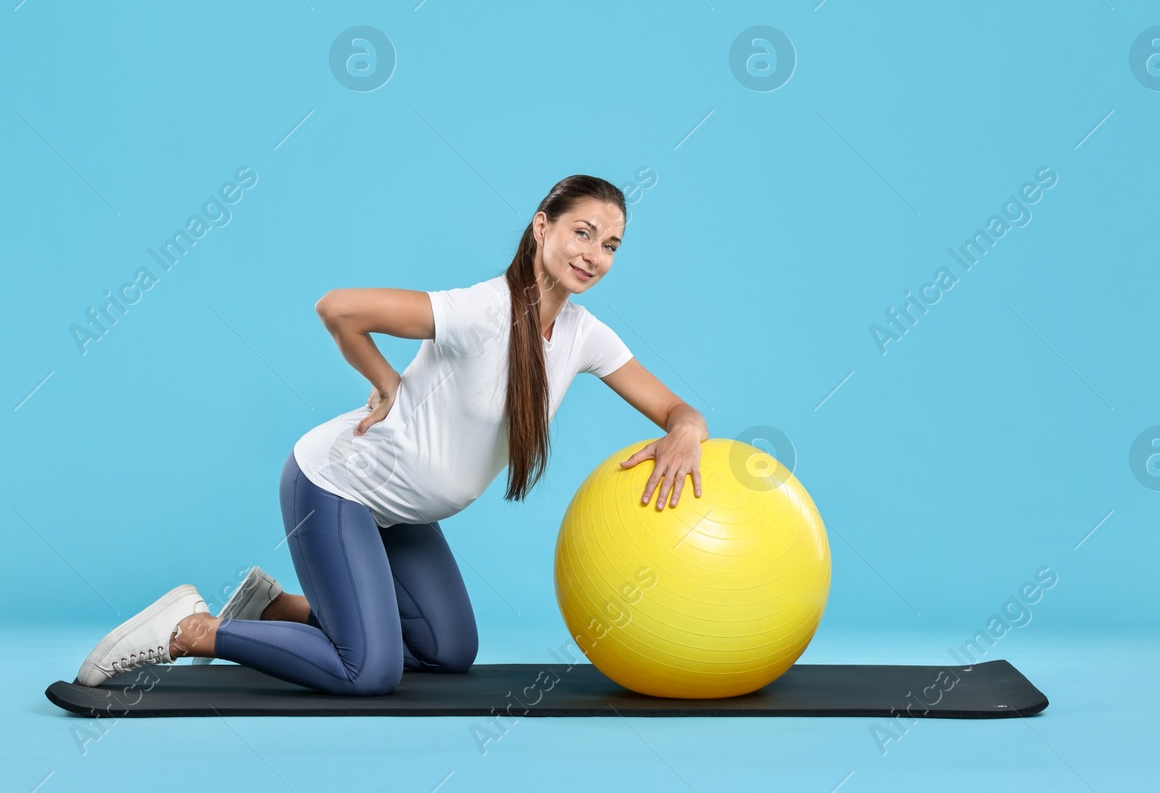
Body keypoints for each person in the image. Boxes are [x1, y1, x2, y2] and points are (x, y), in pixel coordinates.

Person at [73, 174, 708, 694]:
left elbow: (678, 410)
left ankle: (271, 608)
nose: (593, 255)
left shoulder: (583, 336)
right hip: (335, 488)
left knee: (446, 651)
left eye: (611, 245)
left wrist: (686, 432)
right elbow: (339, 307)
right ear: (542, 225)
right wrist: (388, 383)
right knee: (367, 671)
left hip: (398, 513)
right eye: (583, 232)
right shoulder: (481, 311)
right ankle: (192, 629)